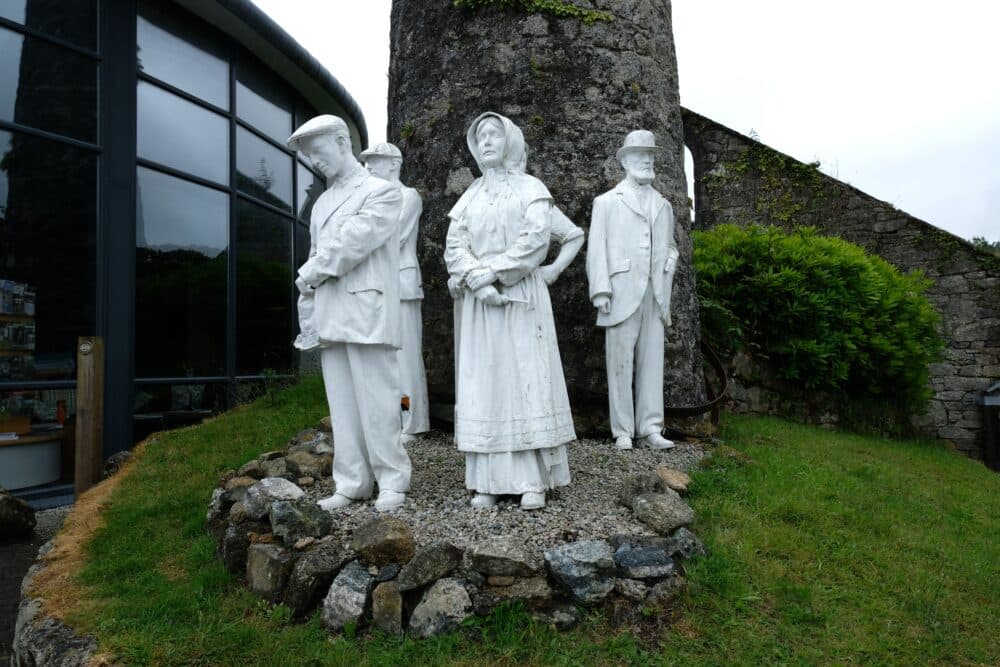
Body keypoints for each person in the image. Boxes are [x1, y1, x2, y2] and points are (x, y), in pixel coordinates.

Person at [444, 112, 578, 510]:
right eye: (480, 136)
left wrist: (491, 274)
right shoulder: (469, 197)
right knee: (487, 384)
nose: (486, 142)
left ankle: (531, 480)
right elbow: (454, 246)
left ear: (510, 142)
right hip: (482, 306)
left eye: (493, 135)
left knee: (525, 378)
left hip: (521, 299)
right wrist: (478, 282)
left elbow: (535, 241)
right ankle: (487, 479)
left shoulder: (530, 188)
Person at [288, 115, 412, 512]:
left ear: (342, 142)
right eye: (309, 158)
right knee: (342, 405)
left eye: (318, 152)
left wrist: (311, 273)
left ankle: (392, 478)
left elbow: (353, 242)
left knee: (378, 401)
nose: (315, 162)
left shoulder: (382, 191)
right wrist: (308, 314)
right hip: (331, 313)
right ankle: (353, 481)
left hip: (367, 310)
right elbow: (315, 262)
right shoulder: (323, 202)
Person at [586, 130, 679, 451]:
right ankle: (622, 429)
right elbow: (596, 248)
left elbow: (669, 246)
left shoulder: (663, 205)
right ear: (624, 160)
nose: (647, 159)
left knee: (652, 361)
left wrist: (669, 261)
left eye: (650, 154)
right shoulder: (607, 202)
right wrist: (600, 289)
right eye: (639, 154)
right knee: (620, 362)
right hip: (621, 289)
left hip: (655, 293)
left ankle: (651, 427)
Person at [360, 142, 430, 443]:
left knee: (406, 357)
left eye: (375, 162)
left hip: (401, 284)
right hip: (380, 284)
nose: (369, 168)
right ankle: (392, 418)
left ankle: (412, 421)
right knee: (385, 357)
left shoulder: (407, 196)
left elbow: (392, 236)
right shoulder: (374, 199)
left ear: (393, 163)